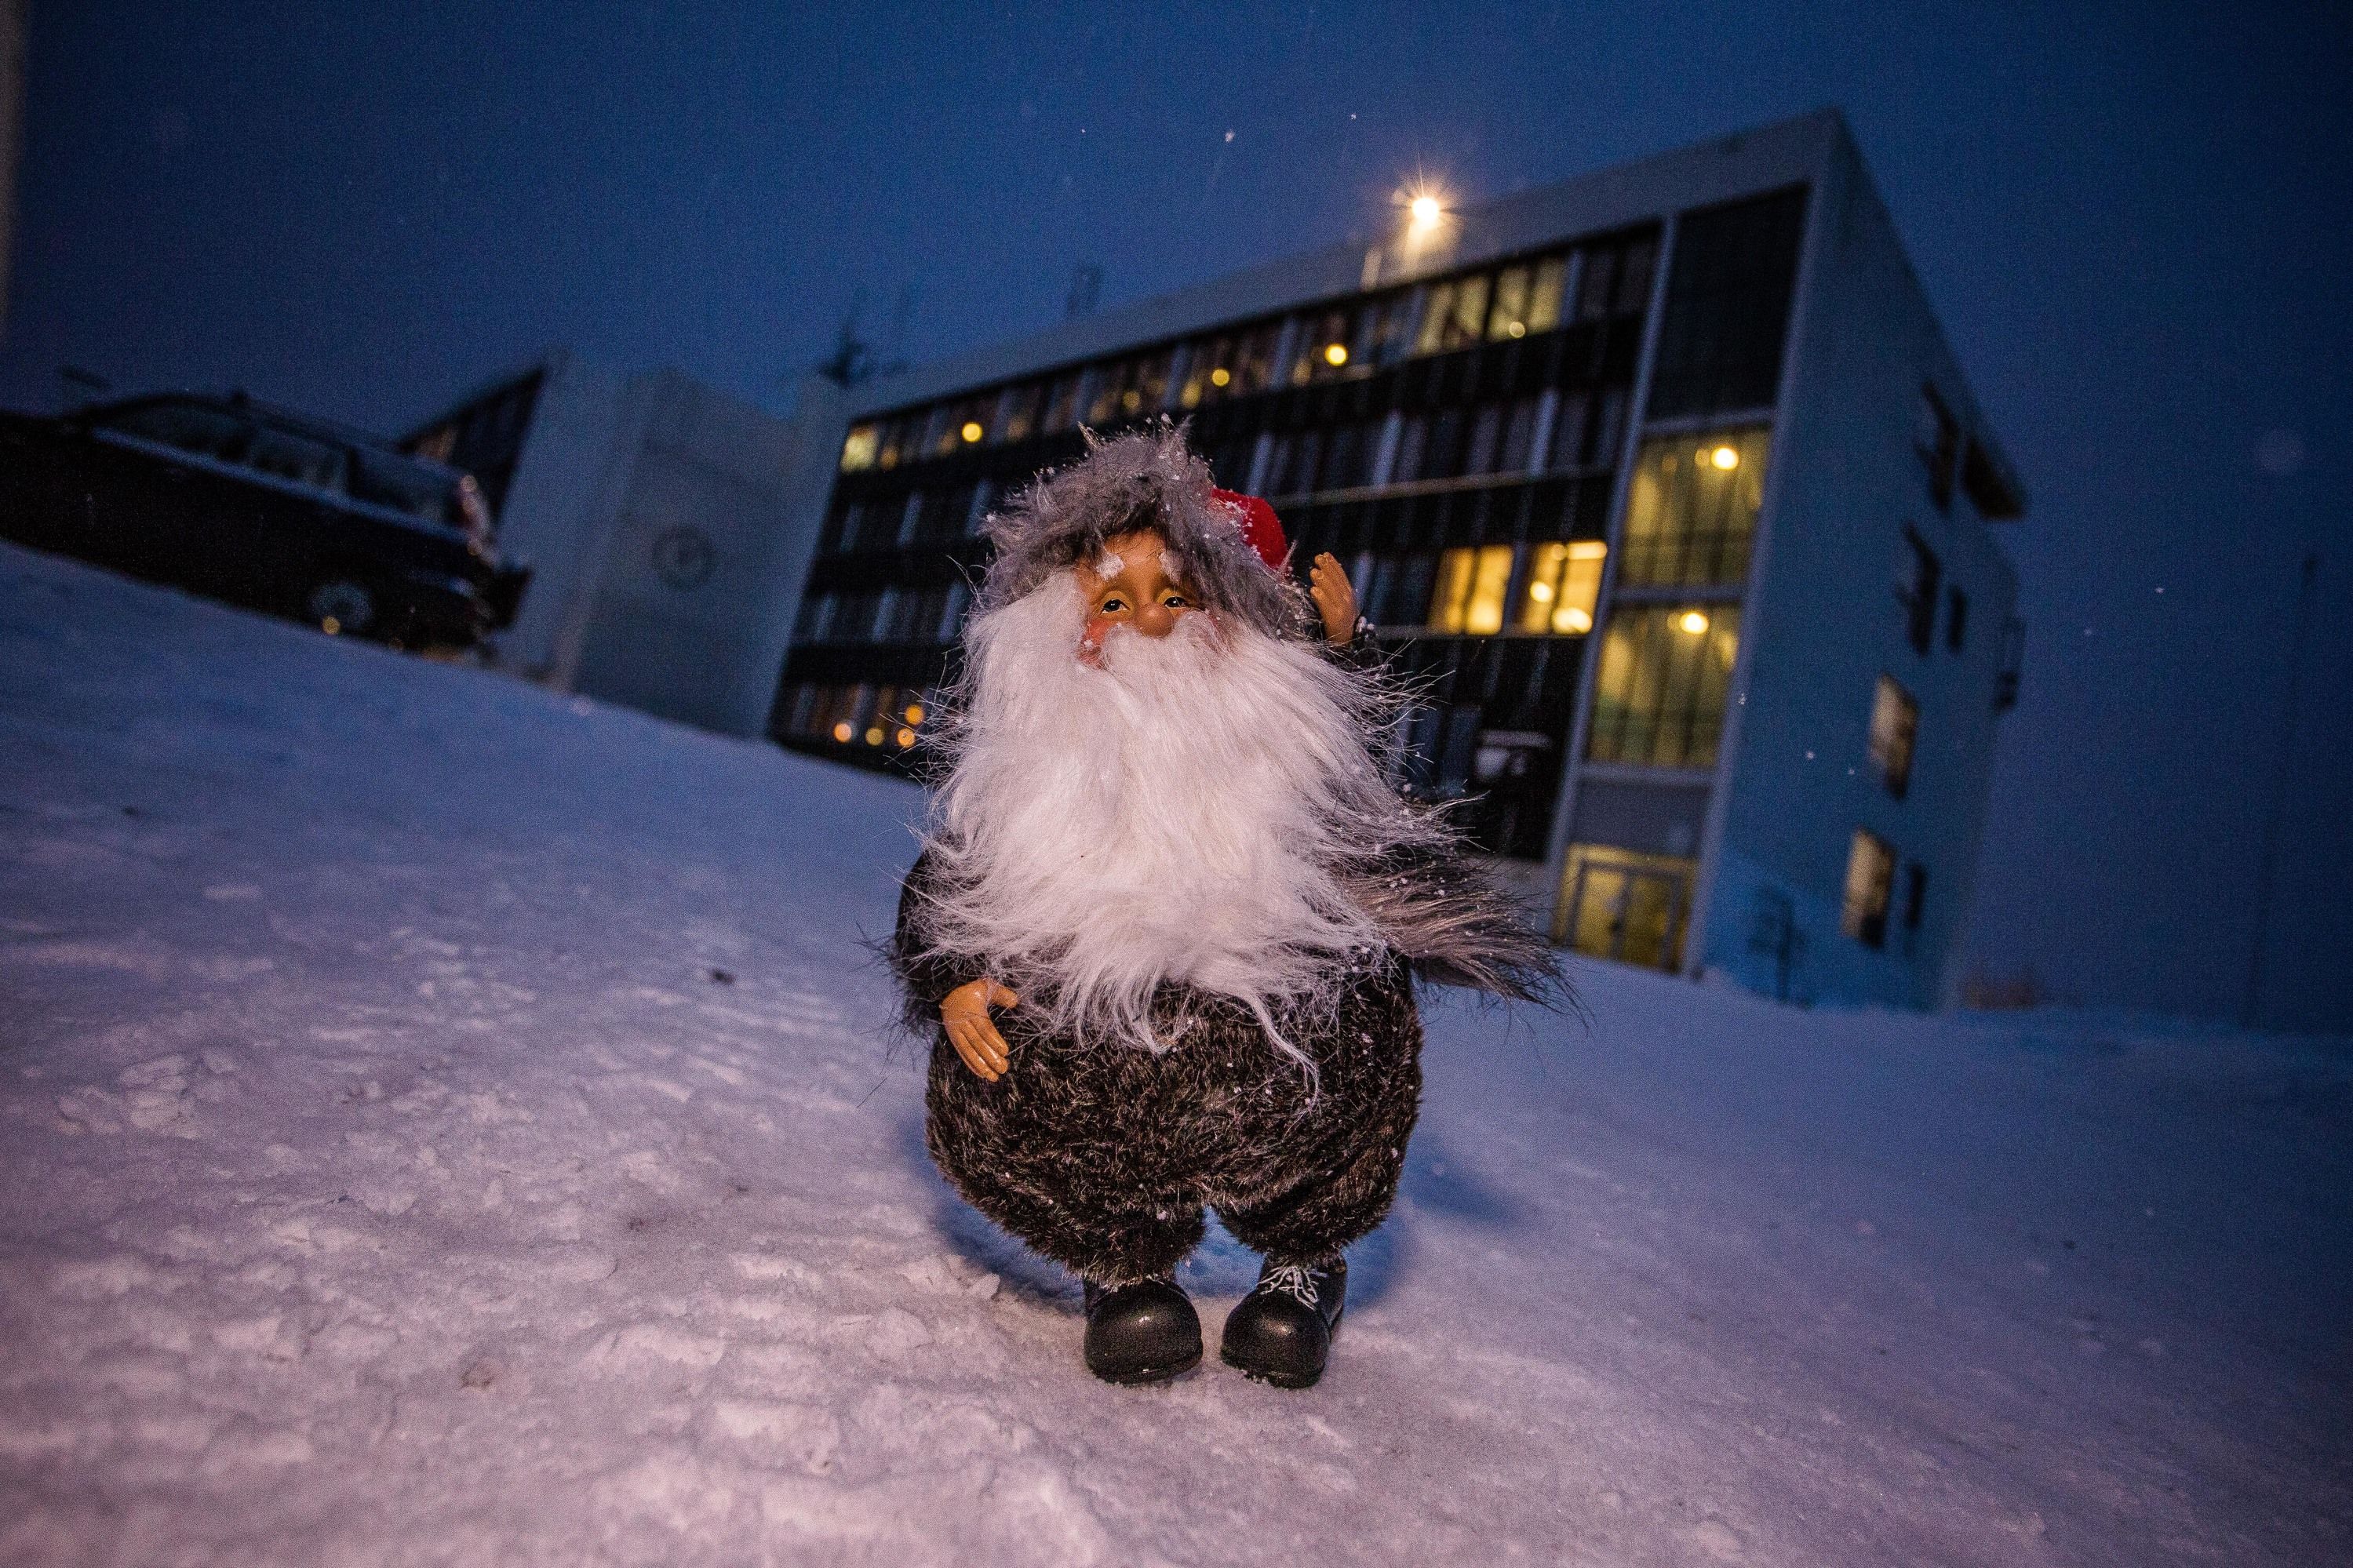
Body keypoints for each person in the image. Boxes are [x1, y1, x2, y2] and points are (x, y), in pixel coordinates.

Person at [890, 425, 1556, 1388]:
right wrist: (951, 976)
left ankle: (1303, 1258)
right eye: (1111, 602)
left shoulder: (1270, 747)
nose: (1147, 624)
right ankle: (1122, 1265)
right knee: (1034, 1057)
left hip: (1268, 1013)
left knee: (1343, 1001)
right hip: (1098, 1014)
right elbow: (954, 878)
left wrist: (1335, 653)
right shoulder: (1036, 773)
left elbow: (1343, 769)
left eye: (1175, 597)